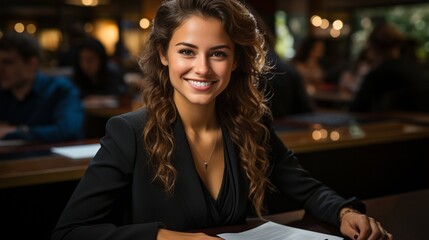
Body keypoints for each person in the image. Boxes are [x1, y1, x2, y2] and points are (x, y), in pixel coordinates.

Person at [52, 1, 392, 240]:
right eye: (187, 51)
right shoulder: (128, 132)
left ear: (234, 61)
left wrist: (346, 213)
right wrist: (171, 238)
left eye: (218, 53)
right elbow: (71, 231)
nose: (202, 68)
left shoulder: (249, 126)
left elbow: (308, 189)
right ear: (163, 54)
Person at [0, 31, 84, 142]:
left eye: (8, 62)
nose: (1, 69)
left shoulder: (59, 89)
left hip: (50, 158)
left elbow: (67, 130)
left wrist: (16, 132)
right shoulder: (3, 93)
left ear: (32, 64)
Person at [349, 23, 423, 112]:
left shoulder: (377, 75)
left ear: (373, 47)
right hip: (418, 123)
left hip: (388, 124)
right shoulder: (415, 69)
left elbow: (357, 108)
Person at [72, 37, 127, 108]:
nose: (84, 65)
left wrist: (91, 100)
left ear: (101, 59)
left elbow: (120, 98)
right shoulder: (77, 76)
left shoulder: (113, 74)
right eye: (81, 59)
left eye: (90, 60)